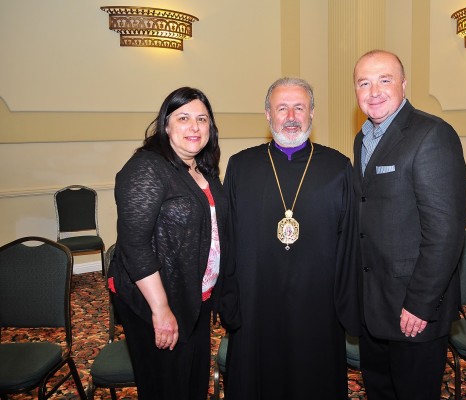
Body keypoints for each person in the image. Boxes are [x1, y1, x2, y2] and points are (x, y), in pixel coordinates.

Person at [223, 77, 360, 400]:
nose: (291, 117)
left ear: (312, 113)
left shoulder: (338, 168)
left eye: (299, 107)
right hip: (256, 303)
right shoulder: (241, 167)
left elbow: (351, 245)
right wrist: (229, 300)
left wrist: (347, 306)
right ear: (267, 115)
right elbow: (226, 241)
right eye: (281, 108)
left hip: (318, 305)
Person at [108, 87, 240, 400]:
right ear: (165, 125)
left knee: (193, 378)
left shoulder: (203, 169)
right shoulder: (147, 167)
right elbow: (134, 246)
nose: (194, 126)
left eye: (202, 119)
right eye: (183, 118)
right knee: (167, 386)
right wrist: (161, 309)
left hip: (195, 295)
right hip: (156, 297)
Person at [352, 50, 466, 400]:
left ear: (403, 84)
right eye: (364, 83)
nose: (374, 91)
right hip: (374, 303)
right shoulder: (363, 138)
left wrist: (420, 303)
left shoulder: (432, 134)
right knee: (380, 390)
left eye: (384, 80)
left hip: (413, 307)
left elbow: (445, 233)